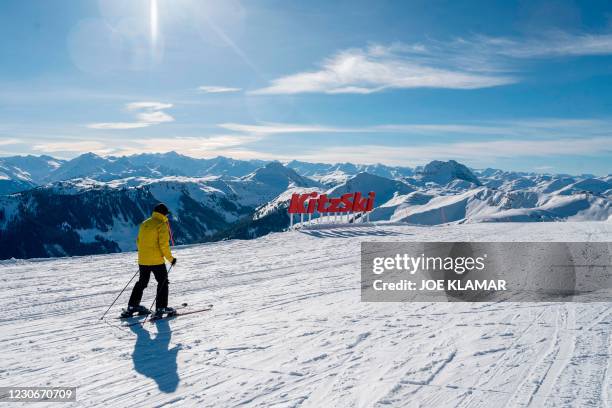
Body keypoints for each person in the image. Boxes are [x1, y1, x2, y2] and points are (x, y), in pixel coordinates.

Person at [122, 203, 177, 319]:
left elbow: (138, 241)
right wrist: (171, 259)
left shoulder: (145, 223)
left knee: (142, 282)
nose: (167, 215)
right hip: (156, 261)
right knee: (163, 282)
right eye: (166, 213)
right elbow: (164, 246)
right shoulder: (161, 225)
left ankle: (133, 306)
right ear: (163, 213)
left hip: (143, 260)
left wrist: (144, 256)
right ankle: (161, 308)